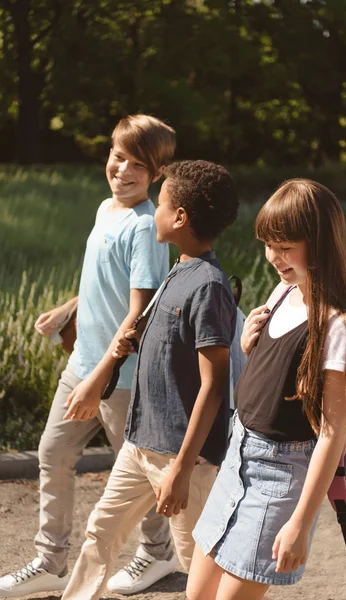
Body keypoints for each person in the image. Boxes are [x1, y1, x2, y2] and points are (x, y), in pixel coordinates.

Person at [0, 115, 178, 598]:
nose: (123, 170)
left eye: (138, 165)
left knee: (137, 471)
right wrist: (68, 307)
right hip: (83, 363)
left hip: (122, 379)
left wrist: (98, 380)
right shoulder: (106, 209)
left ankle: (158, 555)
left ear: (157, 174)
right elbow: (108, 283)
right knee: (53, 454)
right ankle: (50, 562)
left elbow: (140, 315)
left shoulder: (144, 228)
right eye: (119, 157)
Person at [60, 159, 239, 600]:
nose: (153, 212)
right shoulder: (178, 271)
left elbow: (214, 386)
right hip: (141, 444)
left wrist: (179, 471)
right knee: (101, 530)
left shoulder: (209, 286)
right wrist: (136, 341)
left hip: (182, 459)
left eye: (161, 204)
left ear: (180, 217)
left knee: (198, 562)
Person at [187, 178, 346, 600]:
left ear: (320, 243)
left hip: (281, 475)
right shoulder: (285, 291)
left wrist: (301, 524)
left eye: (286, 247)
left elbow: (331, 432)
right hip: (238, 456)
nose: (274, 257)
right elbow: (280, 380)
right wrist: (254, 348)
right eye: (269, 244)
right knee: (197, 595)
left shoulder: (341, 325)